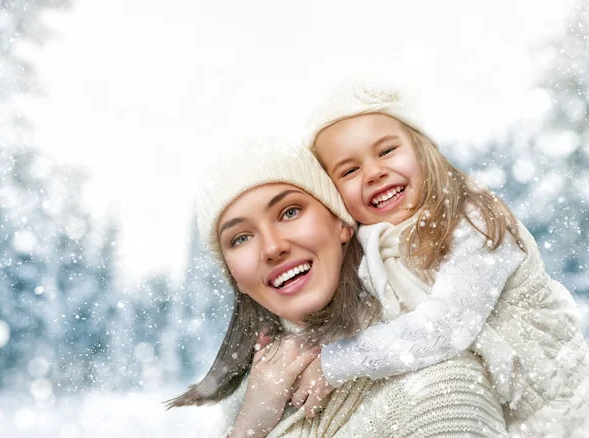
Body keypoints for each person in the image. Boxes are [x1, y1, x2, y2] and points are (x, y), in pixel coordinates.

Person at [299, 76, 589, 437]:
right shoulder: (373, 251)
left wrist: (336, 363)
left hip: (559, 412)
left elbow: (446, 327)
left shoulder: (474, 221)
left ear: (423, 150)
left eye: (387, 150)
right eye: (350, 170)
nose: (373, 172)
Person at [167, 137, 508, 437]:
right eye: (241, 237)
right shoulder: (257, 395)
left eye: (289, 212)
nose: (272, 248)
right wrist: (247, 429)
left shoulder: (439, 391)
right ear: (235, 278)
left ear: (341, 223)